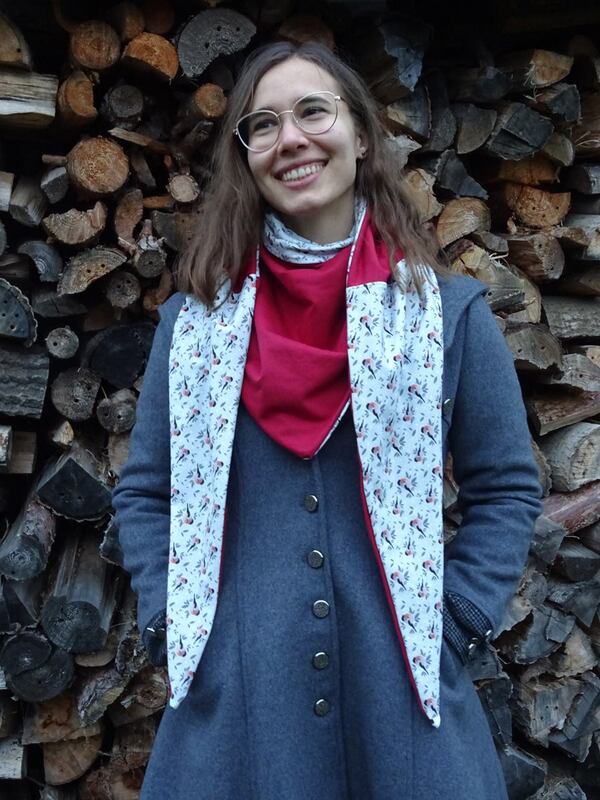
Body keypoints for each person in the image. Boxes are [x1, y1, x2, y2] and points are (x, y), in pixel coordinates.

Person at [112, 40, 543, 800]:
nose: (292, 139)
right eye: (264, 124)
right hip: (235, 701)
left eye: (314, 111)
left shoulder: (447, 318)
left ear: (362, 135)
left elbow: (507, 487)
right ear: (247, 157)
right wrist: (170, 621)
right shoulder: (194, 328)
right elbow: (147, 492)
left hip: (402, 695)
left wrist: (455, 617)